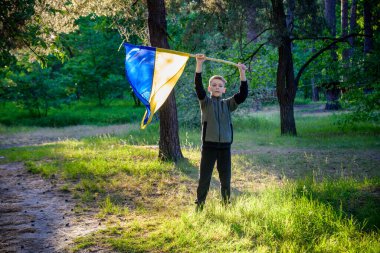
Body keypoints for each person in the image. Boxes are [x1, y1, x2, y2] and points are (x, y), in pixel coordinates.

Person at [194, 54, 248, 210]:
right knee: (204, 178)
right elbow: (198, 87)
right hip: (209, 147)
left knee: (225, 179)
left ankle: (225, 205)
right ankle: (200, 205)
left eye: (220, 85)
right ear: (210, 88)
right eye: (214, 85)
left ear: (224, 90)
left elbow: (242, 94)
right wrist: (199, 64)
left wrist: (242, 72)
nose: (217, 87)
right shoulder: (206, 103)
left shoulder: (228, 104)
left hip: (225, 147)